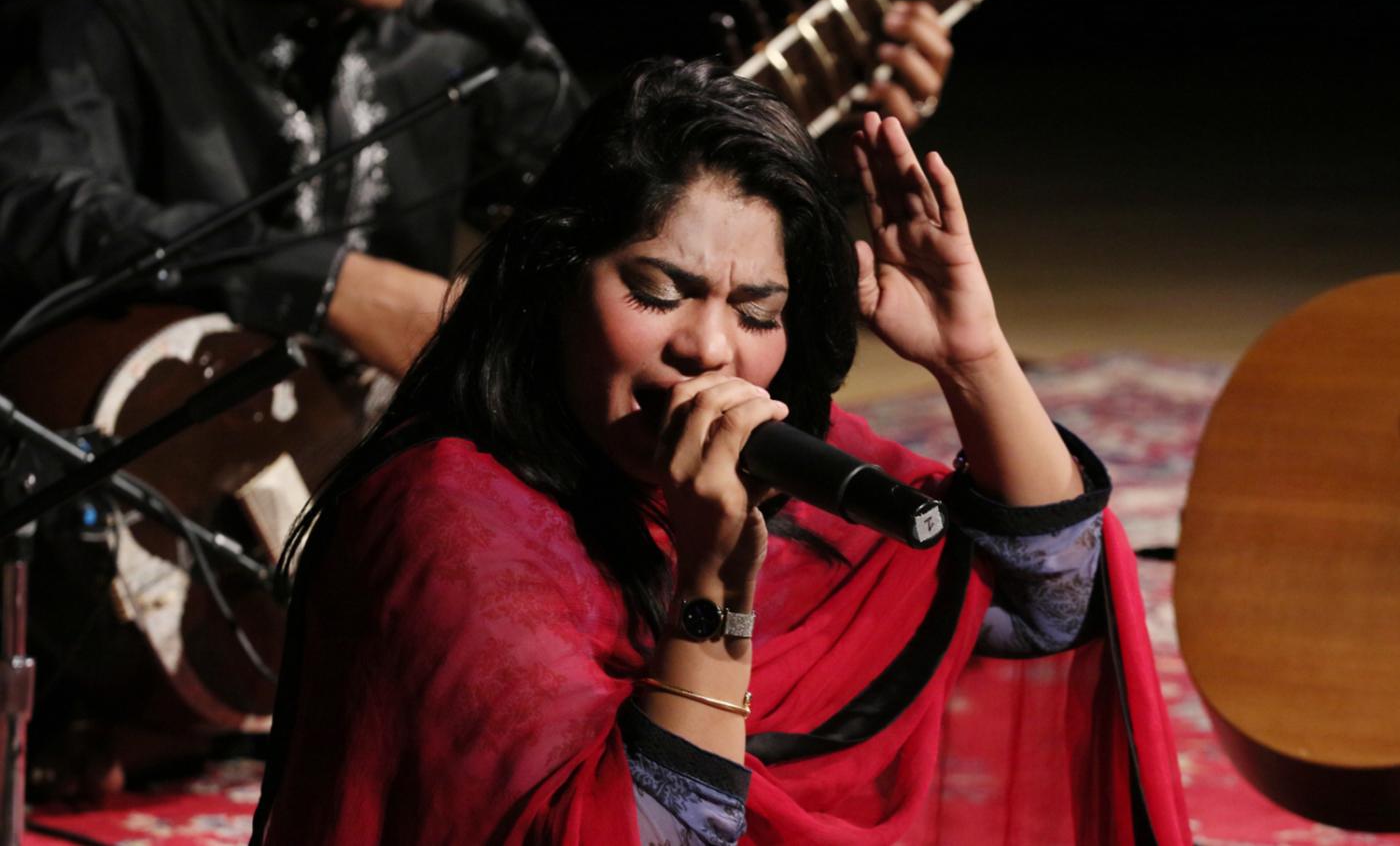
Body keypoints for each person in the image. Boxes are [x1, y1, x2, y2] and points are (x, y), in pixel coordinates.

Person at [251, 59, 1190, 844]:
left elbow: (1049, 604)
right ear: (555, 277)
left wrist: (972, 358)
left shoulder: (790, 468)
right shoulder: (445, 517)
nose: (709, 348)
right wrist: (713, 588)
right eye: (658, 292)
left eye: (756, 313)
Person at [0, 0, 952, 377]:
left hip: (368, 470)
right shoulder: (114, 2)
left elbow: (607, 207)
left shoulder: (449, 6)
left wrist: (801, 157)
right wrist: (330, 286)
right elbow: (28, 204)